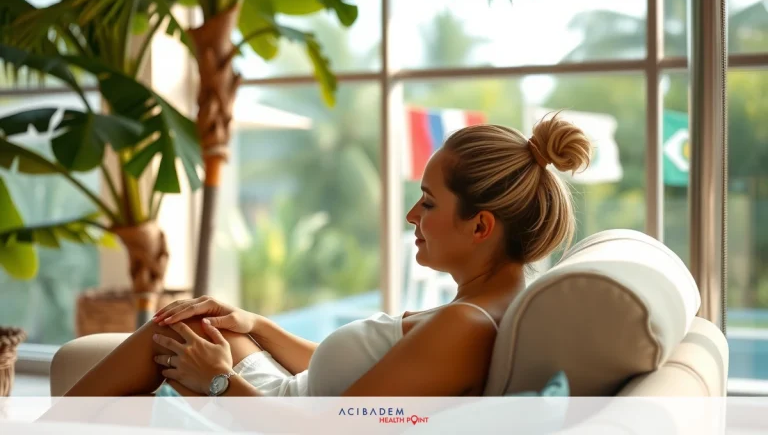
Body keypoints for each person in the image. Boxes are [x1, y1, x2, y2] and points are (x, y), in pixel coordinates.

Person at [62, 115, 591, 398]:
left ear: (480, 225)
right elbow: (352, 378)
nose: (412, 215)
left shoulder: (468, 326)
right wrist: (258, 326)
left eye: (428, 202)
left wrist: (219, 382)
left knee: (169, 334)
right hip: (278, 397)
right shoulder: (478, 305)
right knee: (196, 322)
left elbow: (335, 428)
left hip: (270, 417)